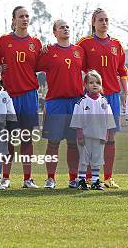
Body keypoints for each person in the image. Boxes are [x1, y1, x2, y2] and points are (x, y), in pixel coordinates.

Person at [76, 8, 128, 188]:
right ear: (93, 22)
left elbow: (122, 70)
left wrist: (124, 93)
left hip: (112, 96)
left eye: (106, 20)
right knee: (91, 138)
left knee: (110, 138)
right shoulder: (84, 43)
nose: (104, 23)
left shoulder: (117, 44)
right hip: (91, 98)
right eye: (100, 20)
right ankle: (89, 176)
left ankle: (108, 177)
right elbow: (76, 66)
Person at [0, 6, 42, 189]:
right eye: (21, 16)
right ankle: (5, 178)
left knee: (27, 138)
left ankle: (27, 179)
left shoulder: (36, 43)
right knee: (8, 138)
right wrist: (0, 68)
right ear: (13, 20)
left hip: (29, 94)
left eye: (27, 16)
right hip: (10, 96)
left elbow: (40, 65)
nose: (24, 19)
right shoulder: (4, 41)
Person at [36, 20, 85, 189]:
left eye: (67, 27)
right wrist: (41, 50)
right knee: (53, 143)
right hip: (55, 103)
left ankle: (73, 178)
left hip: (75, 103)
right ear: (54, 32)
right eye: (61, 27)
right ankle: (50, 178)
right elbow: (33, 66)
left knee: (73, 143)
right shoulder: (49, 51)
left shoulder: (79, 51)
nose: (65, 29)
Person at [70, 70, 116, 190]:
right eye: (91, 82)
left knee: (97, 159)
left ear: (101, 86)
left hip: (100, 137)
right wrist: (79, 136)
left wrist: (105, 135)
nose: (94, 85)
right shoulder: (82, 102)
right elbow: (77, 120)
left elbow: (108, 121)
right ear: (85, 85)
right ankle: (81, 180)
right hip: (85, 137)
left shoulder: (104, 102)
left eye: (98, 82)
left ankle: (95, 181)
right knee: (84, 160)